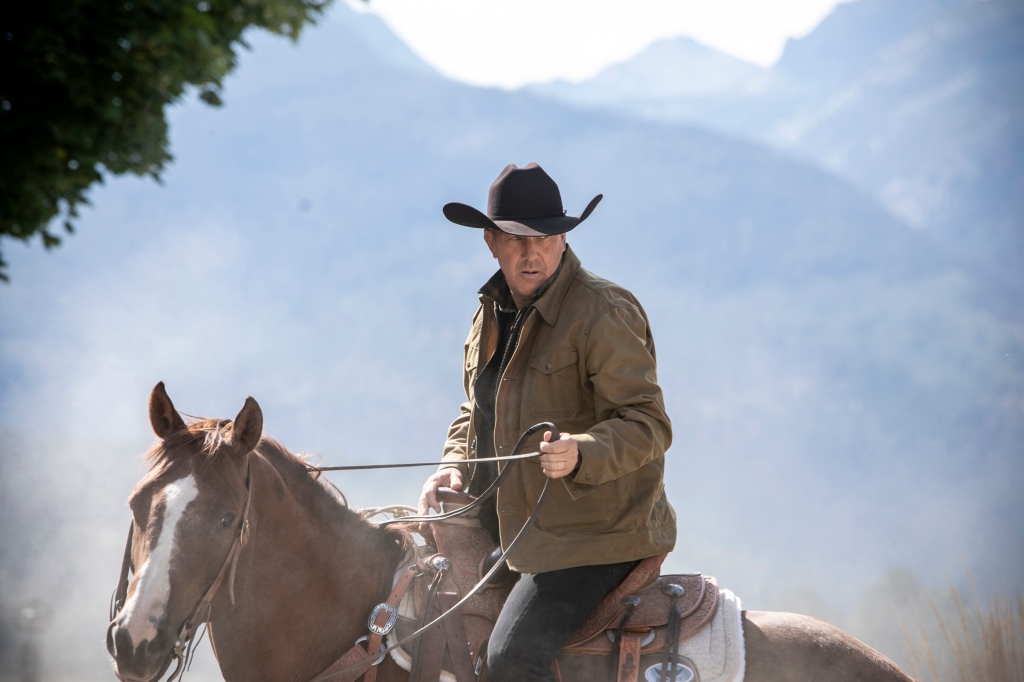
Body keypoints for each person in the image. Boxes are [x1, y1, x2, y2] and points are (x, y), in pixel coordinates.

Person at [418, 162, 676, 682]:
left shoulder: (603, 312)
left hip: (592, 537)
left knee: (512, 658)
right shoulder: (490, 312)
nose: (531, 252)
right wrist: (452, 465)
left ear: (563, 239)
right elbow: (476, 408)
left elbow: (649, 423)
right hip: (510, 526)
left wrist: (583, 450)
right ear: (491, 241)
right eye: (515, 238)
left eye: (546, 236)